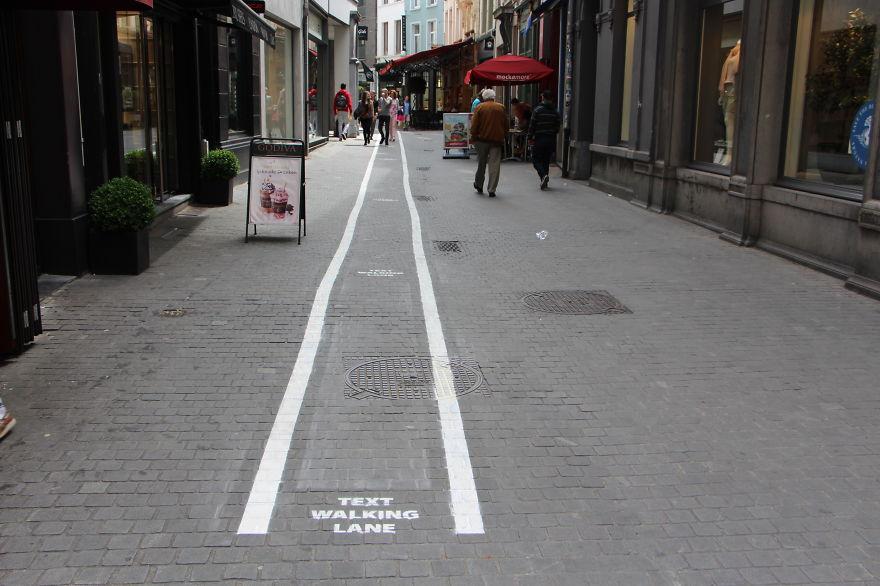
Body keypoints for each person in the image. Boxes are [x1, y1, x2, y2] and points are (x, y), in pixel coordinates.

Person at [470, 88, 507, 197]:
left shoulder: (480, 107)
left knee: (481, 163)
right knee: (494, 164)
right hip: (496, 140)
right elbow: (506, 124)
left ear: (484, 97)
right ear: (493, 97)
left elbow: (474, 124)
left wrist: (473, 136)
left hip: (482, 140)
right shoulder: (501, 107)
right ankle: (492, 189)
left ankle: (479, 184)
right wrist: (504, 135)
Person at [528, 89, 562, 190]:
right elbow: (558, 126)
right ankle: (545, 181)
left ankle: (543, 176)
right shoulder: (555, 112)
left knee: (536, 159)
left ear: (543, 97)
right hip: (551, 139)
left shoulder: (537, 110)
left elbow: (532, 125)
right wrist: (552, 133)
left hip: (540, 138)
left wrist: (530, 137)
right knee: (546, 160)